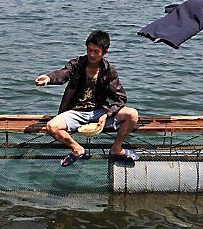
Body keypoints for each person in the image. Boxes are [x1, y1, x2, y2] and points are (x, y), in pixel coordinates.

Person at [35, 30, 140, 167]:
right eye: (89, 50)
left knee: (132, 114)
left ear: (104, 52)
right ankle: (77, 149)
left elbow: (121, 98)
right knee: (52, 126)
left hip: (99, 111)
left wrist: (106, 115)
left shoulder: (109, 70)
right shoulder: (77, 64)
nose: (91, 54)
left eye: (96, 51)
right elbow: (62, 74)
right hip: (76, 112)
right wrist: (49, 78)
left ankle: (116, 149)